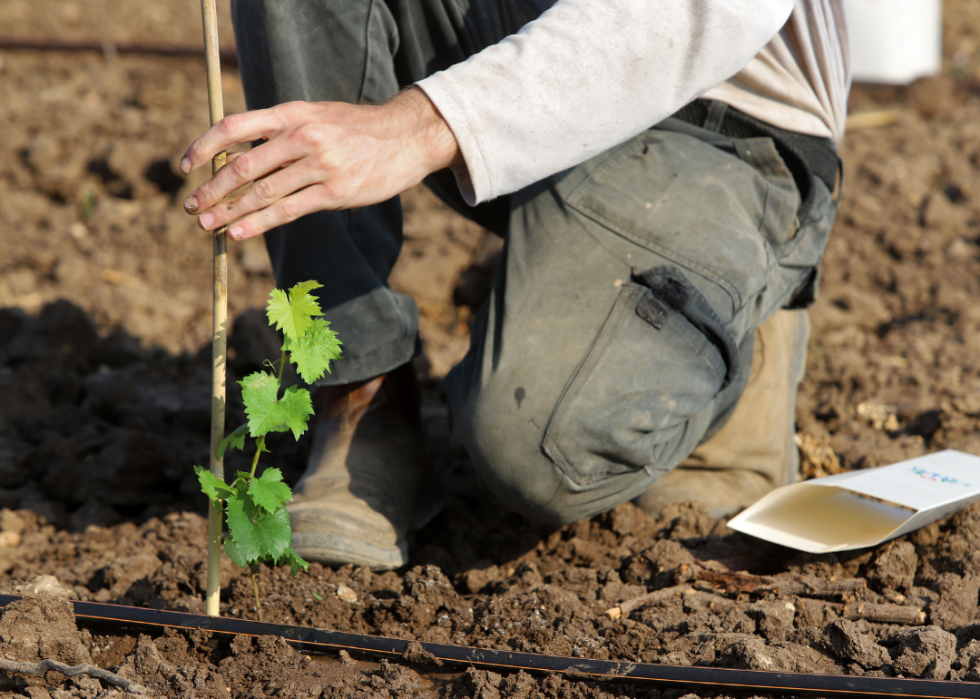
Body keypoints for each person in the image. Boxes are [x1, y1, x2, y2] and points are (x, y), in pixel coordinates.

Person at [180, 0, 849, 570]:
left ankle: (736, 312)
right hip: (515, 30)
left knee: (536, 449)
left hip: (722, 106)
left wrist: (419, 125)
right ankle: (361, 402)